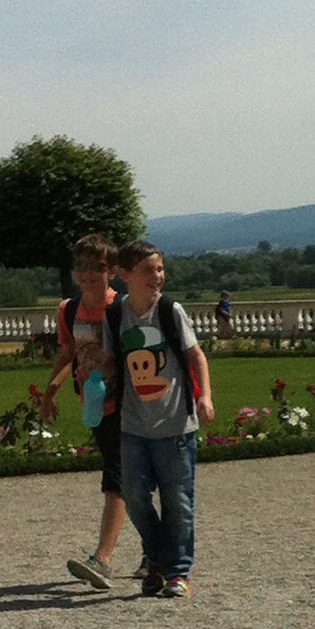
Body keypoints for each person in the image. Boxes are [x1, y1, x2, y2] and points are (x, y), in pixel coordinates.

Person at [103, 240, 214, 599]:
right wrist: (96, 372)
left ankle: (176, 571)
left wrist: (205, 396)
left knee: (178, 502)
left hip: (175, 425)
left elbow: (196, 357)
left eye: (160, 269)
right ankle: (158, 559)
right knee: (135, 497)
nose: (158, 276)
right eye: (148, 270)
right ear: (124, 275)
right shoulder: (115, 315)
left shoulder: (170, 311)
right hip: (133, 425)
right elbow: (112, 361)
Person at [39, 234, 134, 591]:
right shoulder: (69, 309)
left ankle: (102, 559)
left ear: (112, 272)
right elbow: (69, 354)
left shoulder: (121, 307)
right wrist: (50, 392)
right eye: (81, 266)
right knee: (129, 480)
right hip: (94, 404)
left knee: (116, 477)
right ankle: (153, 552)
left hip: (126, 404)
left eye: (97, 267)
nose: (88, 274)